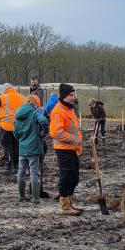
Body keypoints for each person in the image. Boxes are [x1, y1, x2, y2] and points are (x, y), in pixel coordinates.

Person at [50, 83, 84, 215]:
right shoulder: (58, 111)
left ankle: (69, 202)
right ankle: (65, 206)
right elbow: (56, 132)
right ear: (64, 96)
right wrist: (73, 139)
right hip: (64, 149)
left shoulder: (69, 109)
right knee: (66, 177)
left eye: (74, 94)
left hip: (73, 149)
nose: (73, 97)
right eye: (71, 95)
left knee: (74, 178)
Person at [14, 94, 49, 204]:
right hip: (33, 148)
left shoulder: (18, 115)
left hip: (22, 148)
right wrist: (43, 133)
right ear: (34, 104)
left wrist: (21, 138)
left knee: (21, 172)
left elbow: (15, 133)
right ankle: (36, 199)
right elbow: (44, 121)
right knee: (34, 172)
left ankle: (22, 197)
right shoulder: (34, 113)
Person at [0, 83, 24, 175]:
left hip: (6, 127)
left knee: (6, 145)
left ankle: (9, 164)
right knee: (16, 145)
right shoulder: (22, 97)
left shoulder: (2, 97)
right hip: (17, 126)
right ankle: (16, 165)